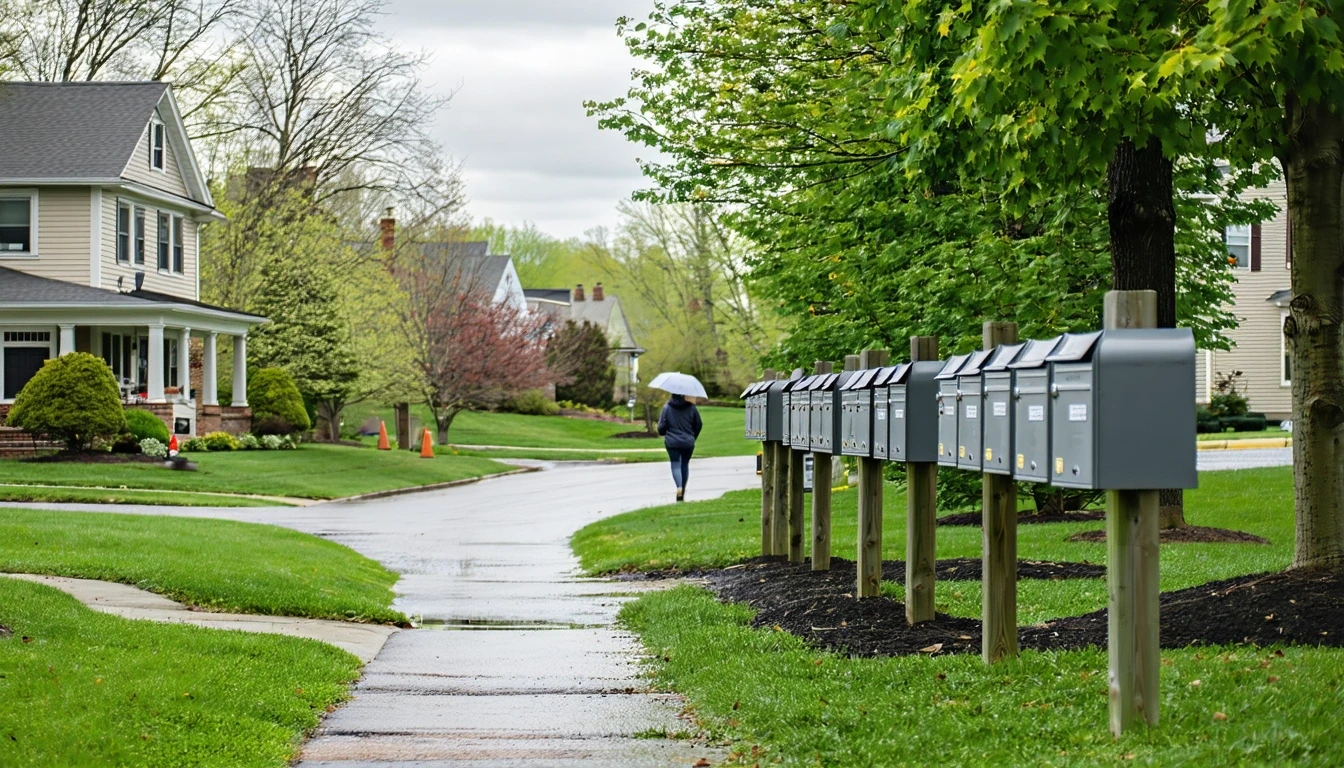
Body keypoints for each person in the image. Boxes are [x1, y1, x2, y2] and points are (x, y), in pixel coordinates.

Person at [657, 393, 702, 502]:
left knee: (675, 464)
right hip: (688, 442)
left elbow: (661, 427)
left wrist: (665, 431)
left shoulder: (667, 408)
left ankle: (679, 487)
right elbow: (698, 424)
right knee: (685, 464)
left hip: (672, 442)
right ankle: (683, 491)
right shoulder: (691, 408)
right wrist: (692, 436)